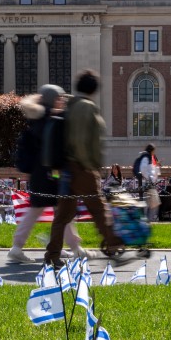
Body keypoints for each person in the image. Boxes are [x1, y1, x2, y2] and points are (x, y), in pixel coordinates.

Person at [44, 70, 127, 267]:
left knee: (62, 217)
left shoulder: (69, 106)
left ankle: (52, 256)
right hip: (82, 169)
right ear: (93, 89)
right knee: (99, 210)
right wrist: (91, 166)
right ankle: (114, 245)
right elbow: (85, 141)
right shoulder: (87, 107)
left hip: (66, 169)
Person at [8, 85, 88, 263]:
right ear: (53, 99)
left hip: (40, 174)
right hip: (50, 174)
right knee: (61, 211)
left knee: (49, 211)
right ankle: (75, 248)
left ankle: (21, 246)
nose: (62, 101)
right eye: (59, 98)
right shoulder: (49, 118)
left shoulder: (38, 118)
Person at [132, 143, 161, 220]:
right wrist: (150, 179)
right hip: (148, 184)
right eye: (154, 150)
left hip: (150, 184)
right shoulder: (146, 157)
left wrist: (157, 167)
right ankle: (148, 220)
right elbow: (143, 169)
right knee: (153, 203)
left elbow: (153, 171)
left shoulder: (151, 157)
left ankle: (147, 220)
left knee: (151, 204)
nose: (154, 152)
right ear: (151, 150)